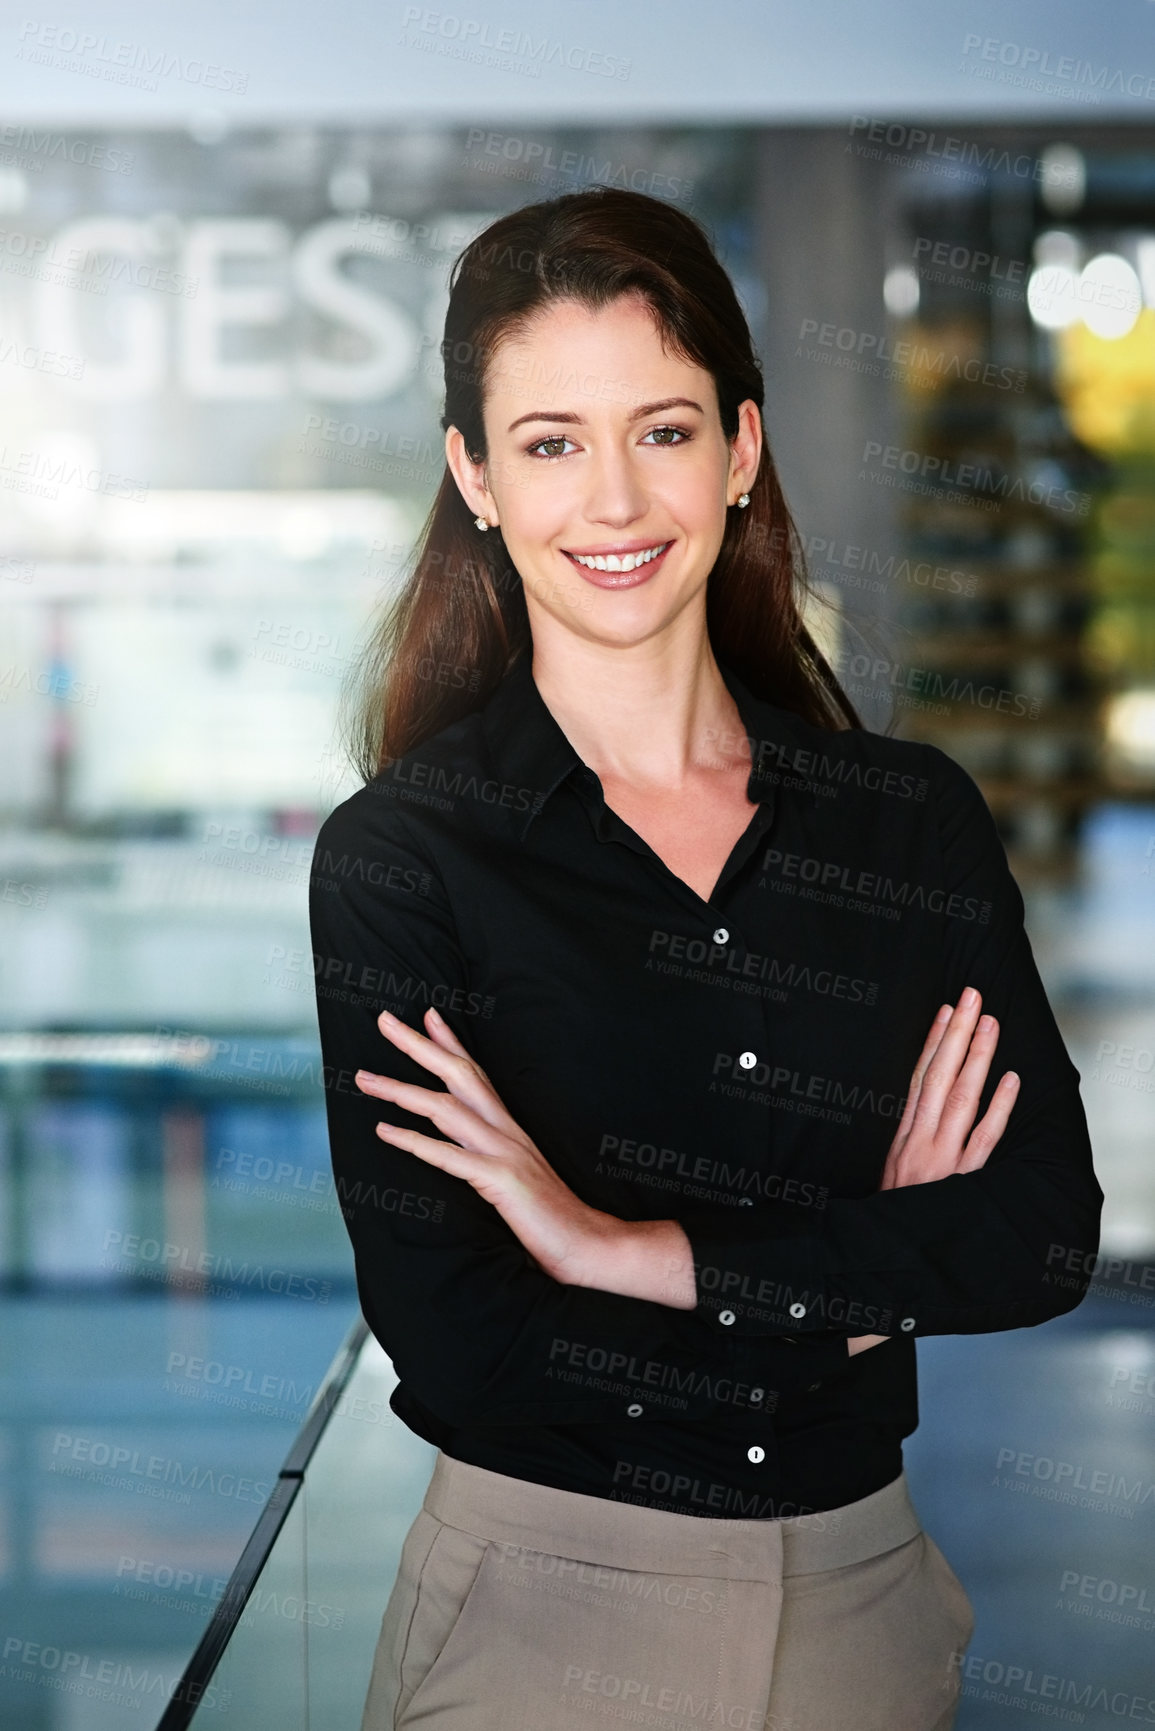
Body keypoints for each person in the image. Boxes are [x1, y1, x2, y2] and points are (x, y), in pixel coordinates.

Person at [308, 187, 1103, 1731]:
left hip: (866, 1614)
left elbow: (1036, 1234)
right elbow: (467, 1339)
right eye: (550, 443)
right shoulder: (409, 859)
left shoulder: (904, 824)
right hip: (538, 1625)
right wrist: (858, 1287)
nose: (614, 500)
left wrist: (631, 1256)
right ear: (475, 477)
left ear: (741, 449)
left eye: (662, 431)